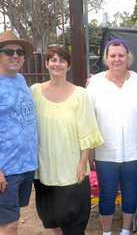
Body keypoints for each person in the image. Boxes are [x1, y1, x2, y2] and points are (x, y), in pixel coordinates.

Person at [31, 46, 104, 235]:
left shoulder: (80, 94)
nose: (57, 64)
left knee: (74, 220)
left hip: (72, 168)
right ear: (46, 64)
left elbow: (87, 131)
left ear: (68, 66)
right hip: (45, 168)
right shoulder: (34, 92)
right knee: (51, 217)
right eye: (53, 59)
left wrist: (82, 163)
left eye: (62, 60)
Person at [87, 38, 137, 235]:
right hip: (105, 151)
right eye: (112, 55)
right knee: (107, 194)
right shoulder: (95, 83)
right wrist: (90, 153)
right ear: (106, 58)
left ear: (128, 57)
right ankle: (106, 232)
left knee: (130, 193)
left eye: (121, 55)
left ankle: (125, 231)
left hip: (133, 150)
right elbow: (88, 117)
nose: (117, 59)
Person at [0, 30, 37, 235]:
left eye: (19, 52)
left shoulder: (21, 80)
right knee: (9, 225)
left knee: (11, 218)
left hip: (25, 165)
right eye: (8, 52)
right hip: (6, 170)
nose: (15, 56)